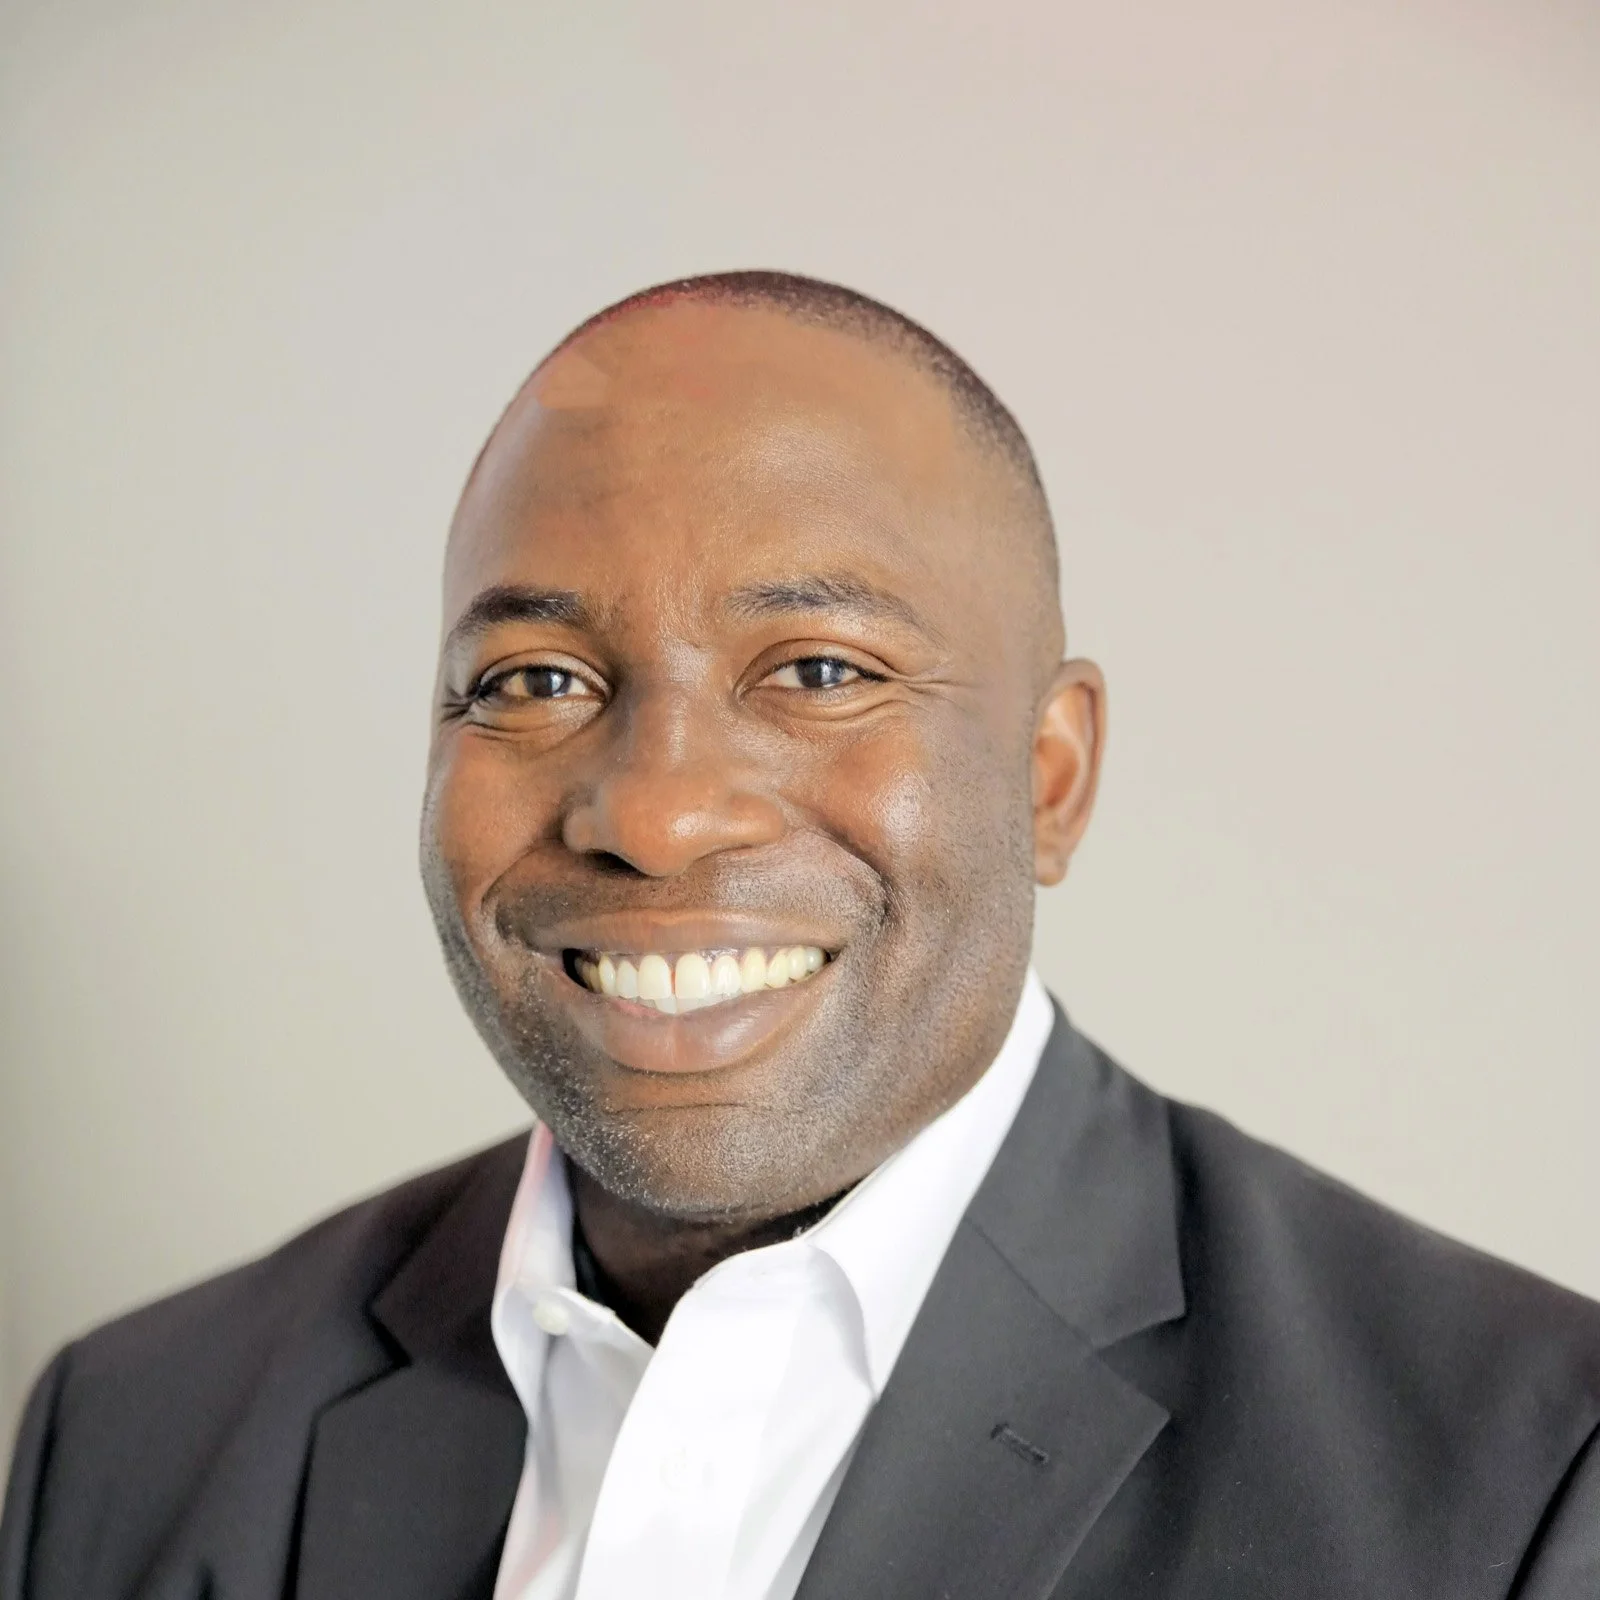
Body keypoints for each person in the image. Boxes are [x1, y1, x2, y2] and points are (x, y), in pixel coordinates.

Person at [3, 271, 1597, 1600]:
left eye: (818, 670)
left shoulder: (1514, 1483)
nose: (659, 811)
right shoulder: (134, 1441)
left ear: (1051, 777)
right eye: (536, 681)